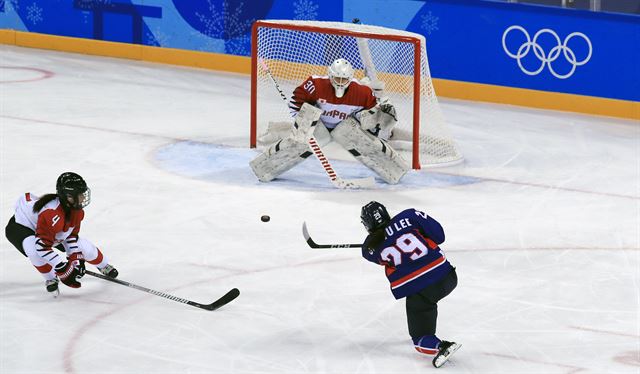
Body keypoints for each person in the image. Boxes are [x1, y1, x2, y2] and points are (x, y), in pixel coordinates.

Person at [250, 58, 409, 184]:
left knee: (363, 142)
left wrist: (379, 116)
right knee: (300, 142)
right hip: (319, 123)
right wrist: (303, 120)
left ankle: (394, 171)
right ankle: (264, 169)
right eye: (337, 78)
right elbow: (296, 101)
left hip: (345, 125)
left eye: (344, 79)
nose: (340, 82)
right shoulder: (315, 84)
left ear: (350, 78)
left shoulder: (362, 92)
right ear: (330, 75)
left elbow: (371, 113)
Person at [360, 201, 460, 368]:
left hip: (422, 291)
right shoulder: (410, 215)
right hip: (447, 276)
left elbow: (377, 251)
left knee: (420, 337)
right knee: (428, 303)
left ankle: (440, 346)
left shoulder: (369, 248)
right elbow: (439, 236)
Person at [4, 172, 118, 297]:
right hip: (21, 227)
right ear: (69, 196)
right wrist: (62, 267)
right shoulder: (51, 214)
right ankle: (50, 278)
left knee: (83, 246)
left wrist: (75, 257)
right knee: (33, 250)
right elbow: (42, 247)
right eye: (80, 195)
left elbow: (71, 236)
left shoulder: (76, 211)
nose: (83, 197)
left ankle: (103, 266)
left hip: (47, 226)